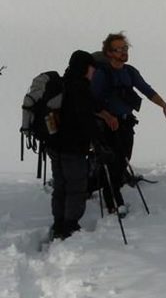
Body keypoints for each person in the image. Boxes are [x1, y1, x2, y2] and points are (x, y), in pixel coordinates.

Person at [91, 32, 166, 214]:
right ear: (109, 52)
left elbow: (147, 90)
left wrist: (165, 106)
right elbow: (92, 102)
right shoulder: (101, 74)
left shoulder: (129, 71)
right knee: (113, 163)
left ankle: (97, 188)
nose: (123, 52)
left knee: (123, 160)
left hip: (125, 123)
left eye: (125, 48)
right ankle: (114, 203)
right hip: (106, 126)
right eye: (119, 49)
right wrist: (107, 116)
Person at [48, 50, 102, 239]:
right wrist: (98, 142)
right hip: (73, 147)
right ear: (85, 67)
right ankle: (70, 226)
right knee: (76, 186)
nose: (93, 72)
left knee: (61, 185)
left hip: (55, 145)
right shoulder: (80, 88)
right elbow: (85, 119)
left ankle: (58, 224)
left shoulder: (63, 83)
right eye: (92, 68)